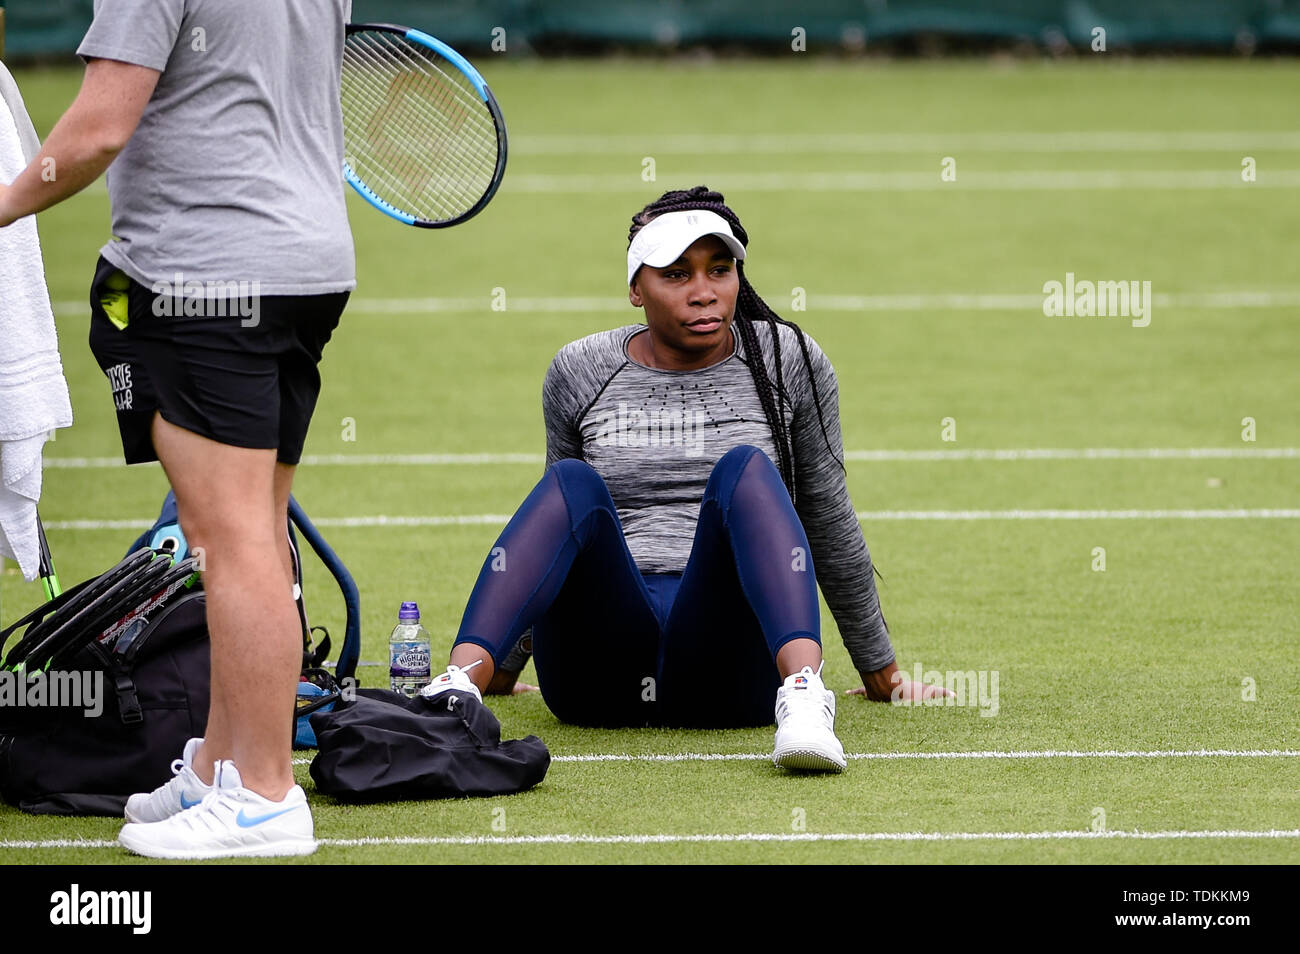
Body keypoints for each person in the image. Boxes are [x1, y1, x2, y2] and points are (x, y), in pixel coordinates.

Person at [0, 0, 355, 857]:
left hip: (206, 276)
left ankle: (265, 797)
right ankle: (220, 766)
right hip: (306, 266)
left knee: (229, 539)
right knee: (248, 529)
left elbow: (97, 129)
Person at [431, 186, 948, 770]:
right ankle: (457, 694)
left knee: (744, 467)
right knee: (572, 481)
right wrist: (501, 667)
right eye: (676, 275)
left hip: (732, 672)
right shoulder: (580, 368)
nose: (704, 292)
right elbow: (558, 537)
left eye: (719, 270)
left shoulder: (787, 361)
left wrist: (881, 671)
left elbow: (827, 517)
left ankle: (803, 700)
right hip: (600, 676)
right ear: (635, 289)